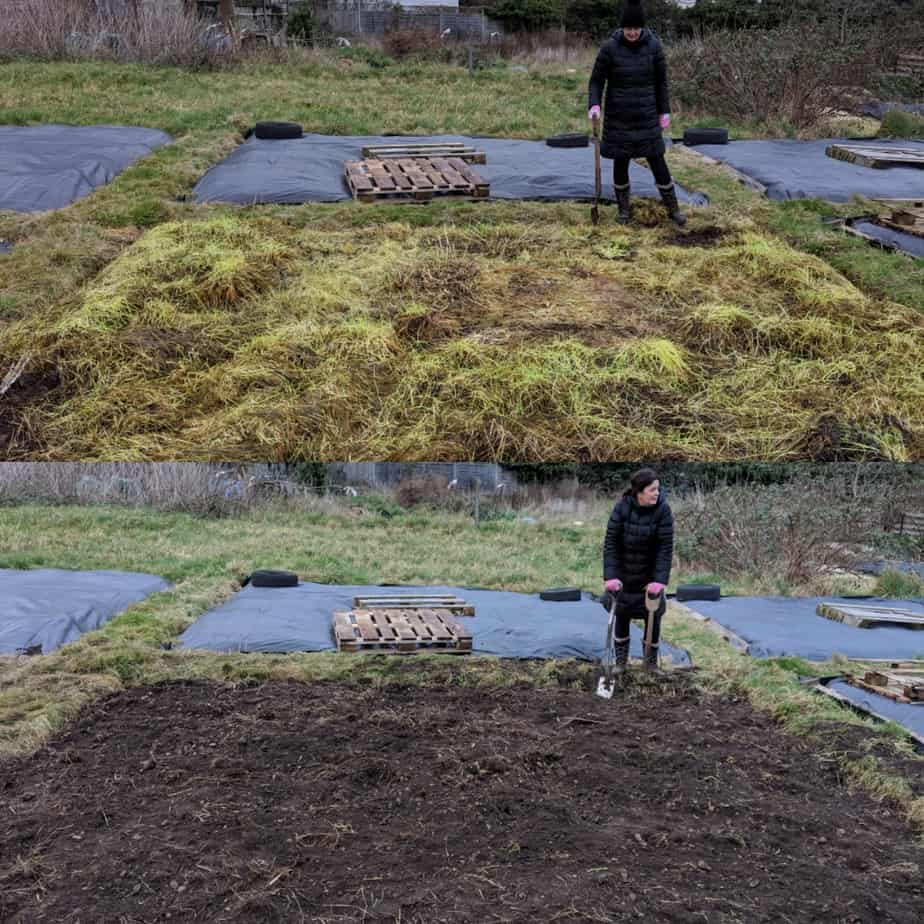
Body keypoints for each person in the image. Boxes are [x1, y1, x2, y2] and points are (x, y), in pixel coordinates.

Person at [587, 0, 686, 226]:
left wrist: (665, 111)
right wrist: (594, 105)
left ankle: (673, 209)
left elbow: (661, 83)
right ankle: (623, 210)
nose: (632, 33)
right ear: (622, 27)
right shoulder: (609, 48)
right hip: (619, 116)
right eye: (628, 28)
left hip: (646, 116)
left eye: (636, 28)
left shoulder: (654, 47)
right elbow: (596, 81)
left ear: (642, 27)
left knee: (658, 162)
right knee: (620, 163)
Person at [601, 467, 674, 673]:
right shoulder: (622, 508)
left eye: (658, 489)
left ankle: (650, 664)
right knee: (622, 614)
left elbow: (665, 548)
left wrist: (659, 580)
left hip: (649, 577)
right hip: (623, 574)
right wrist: (611, 577)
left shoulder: (663, 510)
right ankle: (620, 663)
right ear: (639, 492)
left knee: (653, 617)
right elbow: (611, 544)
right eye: (652, 489)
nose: (657, 493)